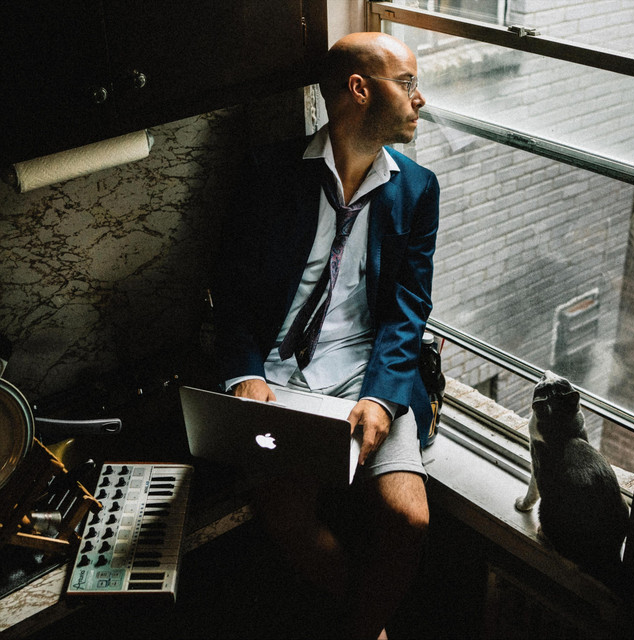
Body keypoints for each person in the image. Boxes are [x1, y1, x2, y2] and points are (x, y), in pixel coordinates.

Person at [211, 31, 439, 640]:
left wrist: (383, 397)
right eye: (408, 84)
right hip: (280, 377)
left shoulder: (418, 189)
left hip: (369, 371)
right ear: (359, 90)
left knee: (409, 520)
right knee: (287, 515)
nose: (420, 99)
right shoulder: (267, 174)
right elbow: (230, 290)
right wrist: (245, 375)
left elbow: (409, 309)